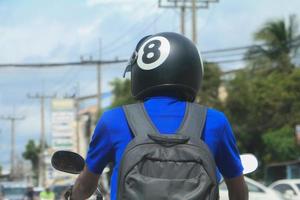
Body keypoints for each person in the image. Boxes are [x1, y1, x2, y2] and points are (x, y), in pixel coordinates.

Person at [68, 32, 248, 200]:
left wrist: (72, 195)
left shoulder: (113, 120)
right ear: (193, 70)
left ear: (139, 73)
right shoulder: (215, 122)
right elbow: (238, 189)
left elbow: (85, 186)